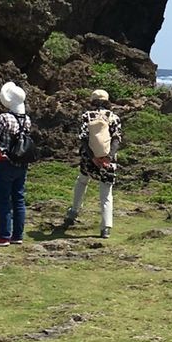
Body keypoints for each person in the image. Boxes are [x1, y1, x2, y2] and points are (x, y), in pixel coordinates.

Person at [65, 87, 122, 239]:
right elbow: (117, 139)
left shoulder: (86, 116)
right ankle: (106, 228)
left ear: (93, 101)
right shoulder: (113, 117)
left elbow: (83, 138)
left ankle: (74, 211)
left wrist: (93, 158)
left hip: (88, 158)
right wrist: (108, 157)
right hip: (108, 160)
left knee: (82, 180)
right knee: (106, 193)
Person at [0, 80, 32, 245]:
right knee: (18, 198)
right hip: (21, 162)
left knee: (4, 199)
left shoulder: (4, 117)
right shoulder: (27, 119)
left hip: (5, 162)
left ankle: (3, 235)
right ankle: (17, 235)